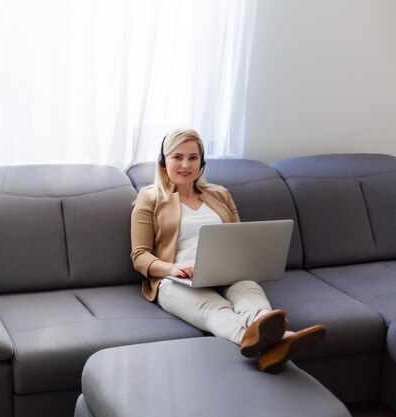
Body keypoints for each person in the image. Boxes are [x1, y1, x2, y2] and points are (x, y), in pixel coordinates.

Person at [130, 129, 326, 373]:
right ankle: (280, 341)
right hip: (176, 280)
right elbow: (140, 256)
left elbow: (238, 240)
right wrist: (174, 268)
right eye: (177, 157)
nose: (185, 164)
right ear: (163, 161)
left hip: (227, 272)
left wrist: (247, 261)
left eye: (193, 157)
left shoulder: (220, 194)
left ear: (201, 162)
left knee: (250, 294)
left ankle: (267, 328)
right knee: (214, 310)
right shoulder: (149, 197)